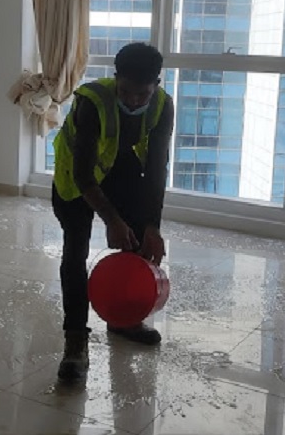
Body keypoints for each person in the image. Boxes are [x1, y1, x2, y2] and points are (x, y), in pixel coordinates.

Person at [51, 42, 175, 381]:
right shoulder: (92, 102)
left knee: (137, 242)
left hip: (119, 169)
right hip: (75, 178)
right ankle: (75, 341)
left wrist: (152, 225)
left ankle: (124, 319)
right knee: (75, 253)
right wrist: (112, 220)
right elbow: (83, 175)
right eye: (126, 91)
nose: (133, 100)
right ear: (115, 78)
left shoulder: (162, 105)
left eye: (142, 94)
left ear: (156, 85)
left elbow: (157, 168)